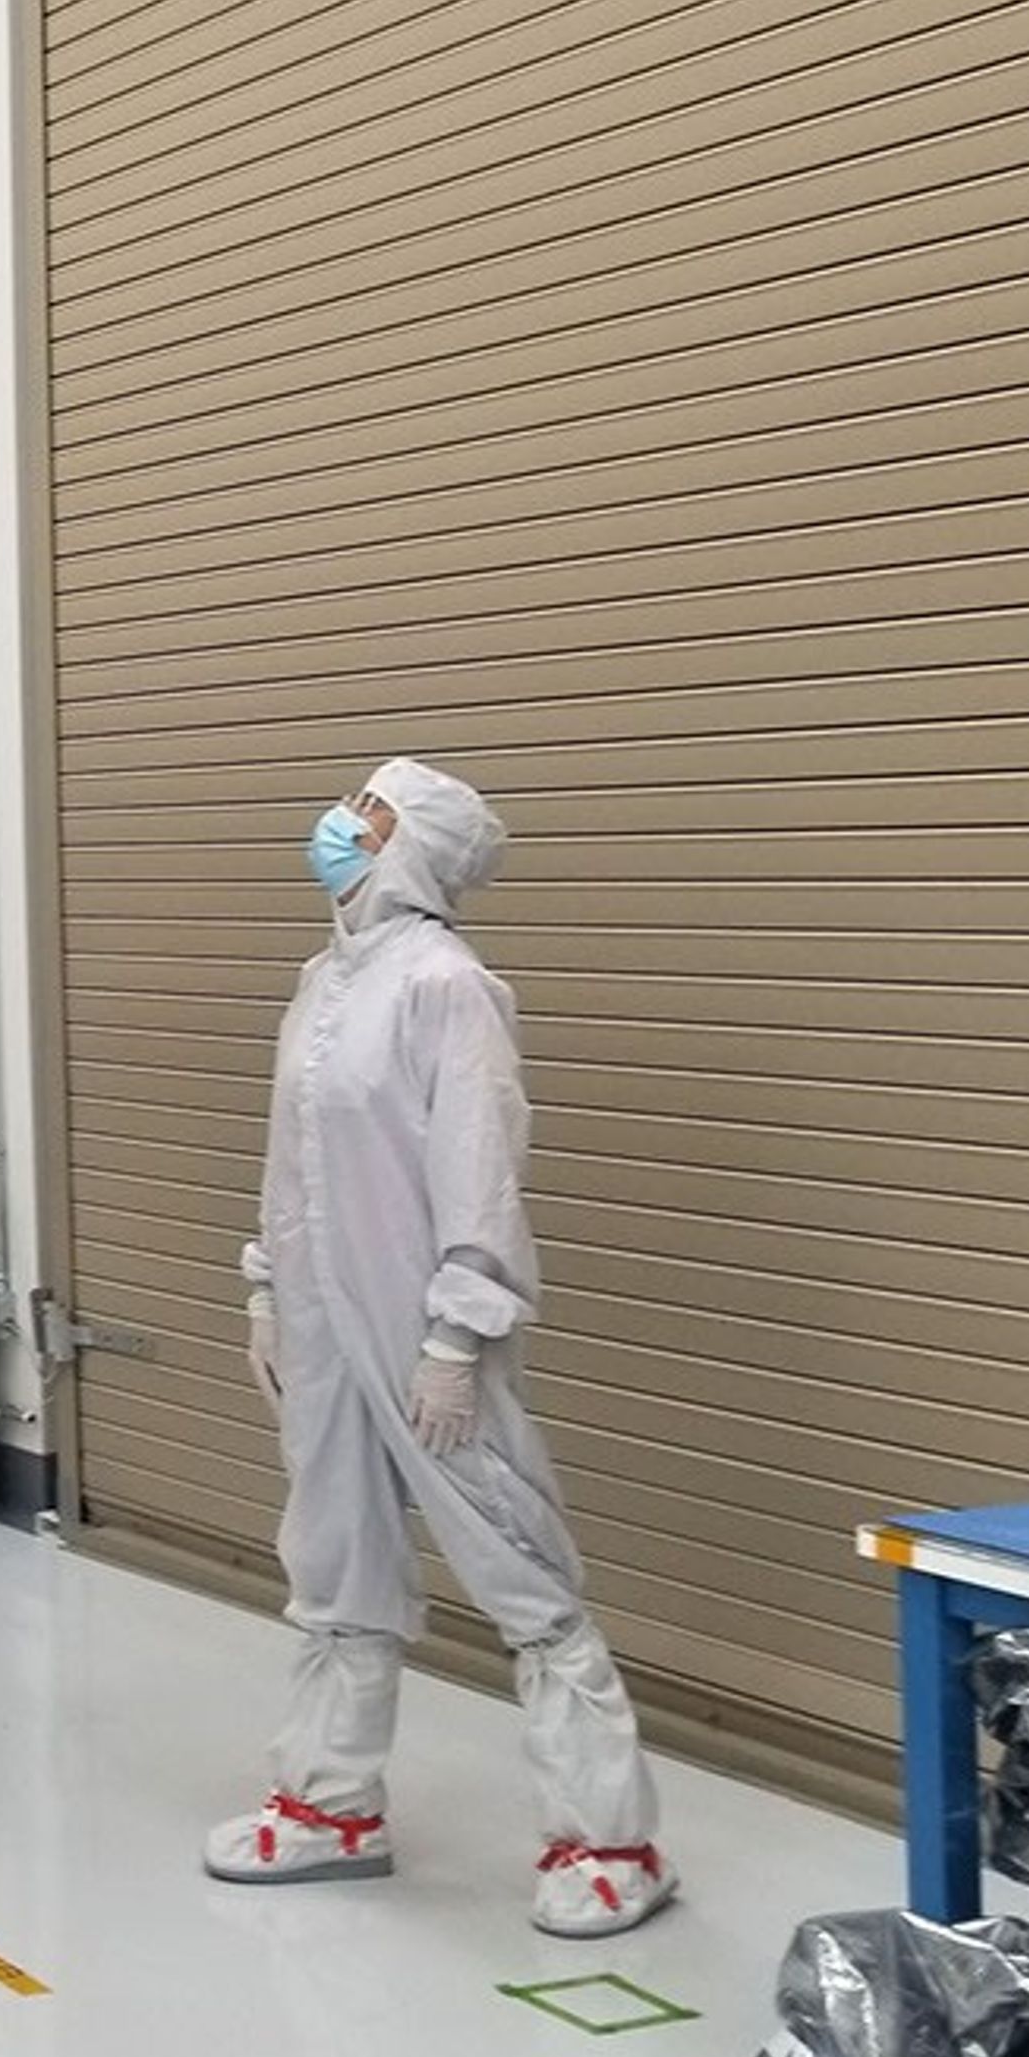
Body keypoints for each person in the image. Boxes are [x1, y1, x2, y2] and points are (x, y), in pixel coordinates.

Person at [200, 757, 677, 1940]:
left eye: (365, 816)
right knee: (333, 1555)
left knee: (515, 1558)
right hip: (321, 1323)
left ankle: (611, 1840)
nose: (334, 827)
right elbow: (292, 1158)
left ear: (412, 847)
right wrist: (269, 1286)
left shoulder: (446, 986)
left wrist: (460, 1332)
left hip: (425, 1334)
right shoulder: (324, 979)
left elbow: (479, 1165)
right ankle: (330, 1807)